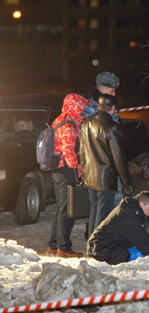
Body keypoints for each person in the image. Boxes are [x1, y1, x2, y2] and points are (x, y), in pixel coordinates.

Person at [80, 94, 133, 238]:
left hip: (90, 176)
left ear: (99, 106)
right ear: (114, 108)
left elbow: (82, 152)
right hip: (105, 178)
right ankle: (97, 246)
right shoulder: (112, 128)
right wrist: (126, 183)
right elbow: (119, 158)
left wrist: (84, 173)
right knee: (102, 214)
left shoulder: (86, 123)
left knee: (93, 212)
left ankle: (91, 245)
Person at [46, 93, 88, 258]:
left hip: (57, 170)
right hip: (65, 170)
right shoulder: (68, 124)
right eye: (81, 107)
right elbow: (69, 150)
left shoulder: (60, 119)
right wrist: (78, 171)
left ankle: (53, 245)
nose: (83, 110)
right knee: (67, 210)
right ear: (75, 106)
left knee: (60, 209)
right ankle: (63, 248)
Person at [87, 191, 149, 265]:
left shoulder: (133, 210)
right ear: (142, 204)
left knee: (134, 249)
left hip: (105, 244)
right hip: (99, 249)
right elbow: (143, 241)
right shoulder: (128, 215)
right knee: (123, 255)